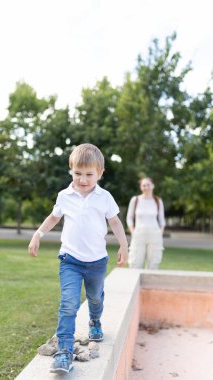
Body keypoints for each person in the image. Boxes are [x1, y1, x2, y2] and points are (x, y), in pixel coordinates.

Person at [28, 143, 128, 374]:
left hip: (97, 262)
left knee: (95, 298)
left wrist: (123, 244)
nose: (83, 179)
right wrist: (38, 234)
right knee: (69, 304)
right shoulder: (65, 195)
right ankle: (64, 351)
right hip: (70, 260)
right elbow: (53, 218)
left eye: (89, 174)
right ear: (71, 171)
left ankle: (95, 321)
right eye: (77, 174)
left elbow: (115, 222)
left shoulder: (104, 197)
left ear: (100, 173)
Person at [126, 177, 165, 270]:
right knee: (135, 262)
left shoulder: (158, 201)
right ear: (140, 187)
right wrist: (133, 232)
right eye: (144, 185)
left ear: (153, 186)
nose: (146, 187)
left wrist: (160, 233)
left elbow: (162, 221)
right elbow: (129, 218)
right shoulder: (135, 200)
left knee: (153, 264)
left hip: (154, 234)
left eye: (148, 185)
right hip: (138, 234)